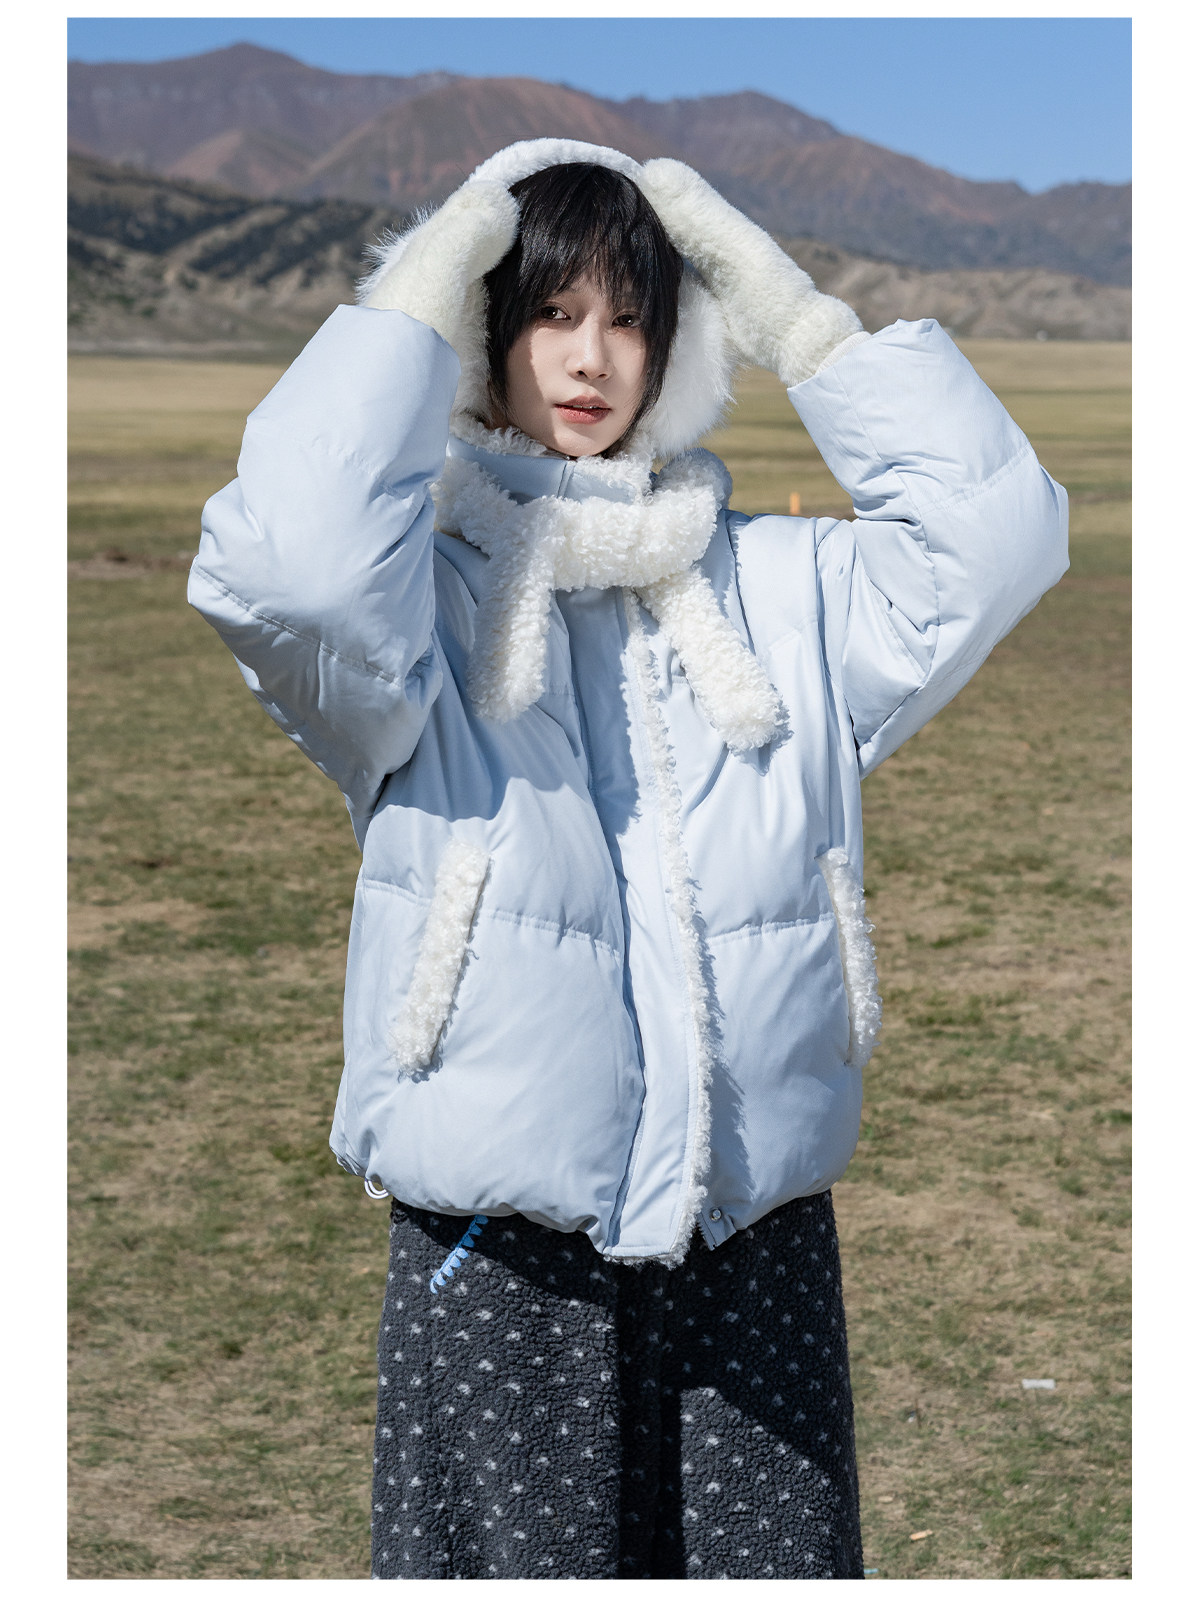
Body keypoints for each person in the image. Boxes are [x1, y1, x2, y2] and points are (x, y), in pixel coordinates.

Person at [188, 139, 1068, 1579]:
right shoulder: (415, 610)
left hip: (754, 1233)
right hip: (502, 1243)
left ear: (680, 344)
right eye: (548, 312)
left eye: (631, 316)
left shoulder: (781, 593)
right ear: (480, 333)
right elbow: (288, 568)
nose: (591, 358)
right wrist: (409, 301)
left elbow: (1000, 536)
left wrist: (800, 323)